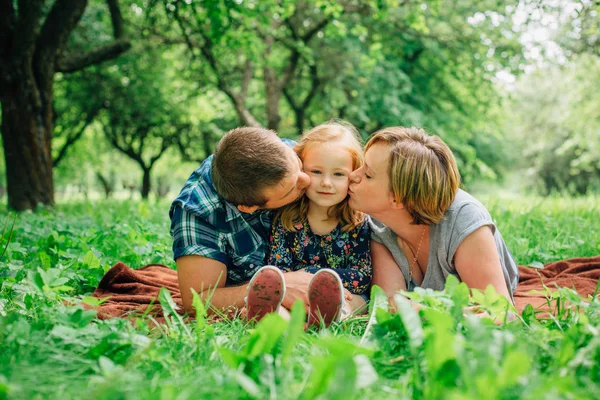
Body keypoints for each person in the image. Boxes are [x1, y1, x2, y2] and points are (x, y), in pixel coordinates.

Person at [347, 127, 519, 309]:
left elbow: (501, 312)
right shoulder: (377, 224)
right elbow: (389, 303)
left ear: (398, 197)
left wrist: (418, 311)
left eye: (367, 174)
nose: (352, 175)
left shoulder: (464, 220)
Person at [169, 126, 312, 314]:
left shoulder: (291, 152)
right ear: (249, 207)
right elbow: (197, 301)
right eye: (291, 188)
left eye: (298, 165)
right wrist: (273, 287)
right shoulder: (198, 212)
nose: (308, 180)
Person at [265, 122, 372, 325]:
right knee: (279, 301)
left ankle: (331, 316)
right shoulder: (287, 219)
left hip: (346, 295)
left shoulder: (357, 221)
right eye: (316, 172)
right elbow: (278, 269)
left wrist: (315, 278)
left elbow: (363, 275)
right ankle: (285, 323)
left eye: (338, 174)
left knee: (357, 302)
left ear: (354, 175)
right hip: (296, 295)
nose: (326, 182)